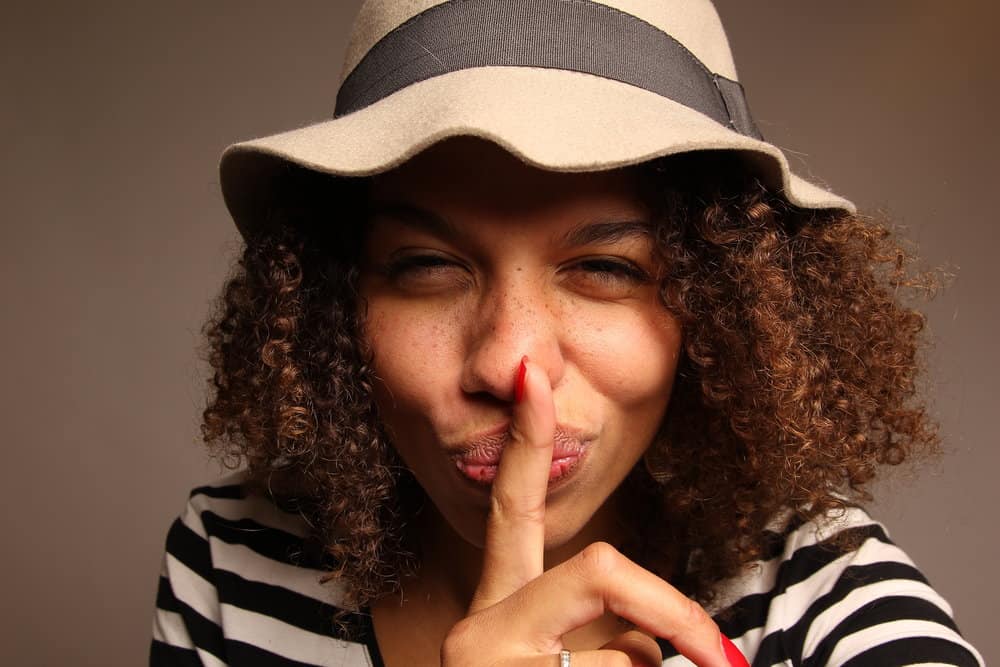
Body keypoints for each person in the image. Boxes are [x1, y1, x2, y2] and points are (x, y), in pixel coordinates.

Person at [150, 1, 983, 665]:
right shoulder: (233, 557)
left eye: (607, 269)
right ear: (337, 303)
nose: (513, 363)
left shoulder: (821, 593)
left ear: (721, 309)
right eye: (426, 265)